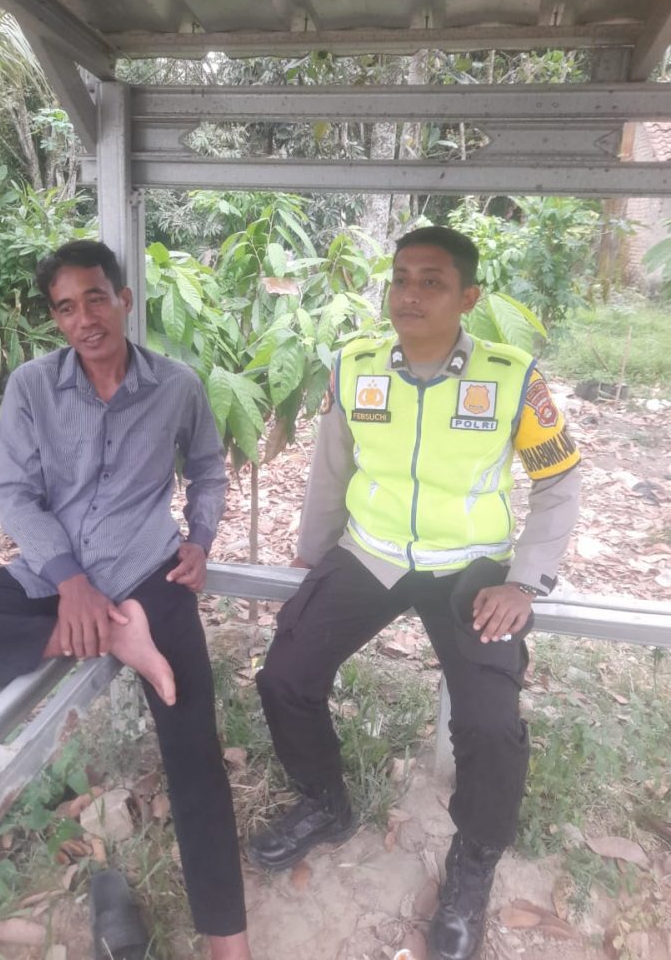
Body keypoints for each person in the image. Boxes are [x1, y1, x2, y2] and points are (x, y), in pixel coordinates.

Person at [0, 240, 251, 960]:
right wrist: (72, 583)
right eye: (66, 307)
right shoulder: (32, 386)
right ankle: (114, 634)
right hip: (52, 578)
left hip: (151, 576)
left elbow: (207, 468)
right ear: (55, 317)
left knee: (194, 753)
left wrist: (201, 539)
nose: (84, 319)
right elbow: (15, 493)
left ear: (124, 299)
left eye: (96, 298)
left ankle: (230, 947)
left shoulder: (177, 386)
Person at [247, 226, 581, 960]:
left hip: (471, 566)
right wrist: (313, 554)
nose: (410, 294)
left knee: (490, 723)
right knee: (285, 675)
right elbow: (331, 468)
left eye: (432, 281)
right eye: (401, 278)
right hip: (372, 551)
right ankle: (324, 801)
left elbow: (558, 482)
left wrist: (525, 580)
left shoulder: (511, 377)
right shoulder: (356, 365)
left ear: (469, 297)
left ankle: (474, 859)